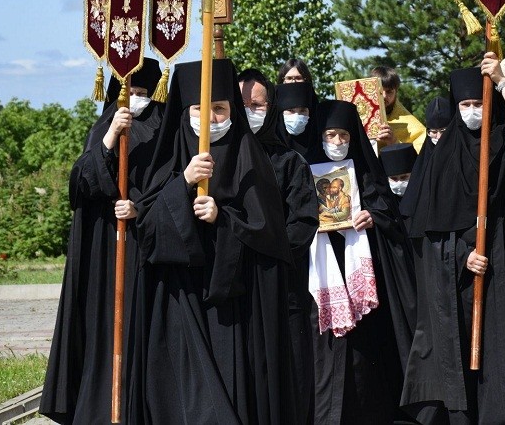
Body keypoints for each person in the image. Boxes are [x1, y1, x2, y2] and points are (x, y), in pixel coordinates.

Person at [127, 58, 296, 424]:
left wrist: (223, 220)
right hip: (181, 301)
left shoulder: (252, 164)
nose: (211, 118)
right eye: (200, 109)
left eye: (219, 108)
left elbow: (270, 242)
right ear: (185, 111)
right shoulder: (169, 162)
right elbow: (148, 234)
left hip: (233, 311)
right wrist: (183, 184)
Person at [400, 52, 505, 424]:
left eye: (479, 104)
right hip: (460, 285)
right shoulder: (442, 157)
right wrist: (461, 255)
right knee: (462, 380)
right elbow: (427, 236)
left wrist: (502, 83)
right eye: (465, 105)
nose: (473, 112)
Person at [41, 57, 164, 425]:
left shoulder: (164, 132)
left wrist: (140, 208)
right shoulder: (103, 128)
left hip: (146, 245)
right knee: (105, 328)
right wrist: (111, 136)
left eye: (143, 92)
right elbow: (81, 184)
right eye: (130, 91)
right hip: (106, 249)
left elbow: (171, 187)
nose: (136, 98)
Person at [306, 100, 416, 424]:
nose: (337, 142)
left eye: (344, 135)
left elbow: (390, 216)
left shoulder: (368, 173)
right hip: (323, 278)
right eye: (330, 135)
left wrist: (373, 217)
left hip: (364, 288)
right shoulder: (304, 171)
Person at [238, 67, 320, 424]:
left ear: (271, 108)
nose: (250, 112)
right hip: (236, 296)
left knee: (288, 387)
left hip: (281, 290)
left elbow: (303, 223)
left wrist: (264, 254)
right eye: (242, 105)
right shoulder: (218, 161)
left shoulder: (289, 162)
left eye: (257, 105)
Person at [371, 65, 427, 152]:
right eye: (380, 91)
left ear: (396, 92)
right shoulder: (357, 114)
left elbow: (422, 153)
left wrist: (394, 142)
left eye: (389, 92)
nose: (384, 96)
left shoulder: (410, 124)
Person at [276, 80, 320, 158]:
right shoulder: (270, 149)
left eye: (302, 110)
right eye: (290, 110)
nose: (297, 116)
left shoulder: (321, 147)